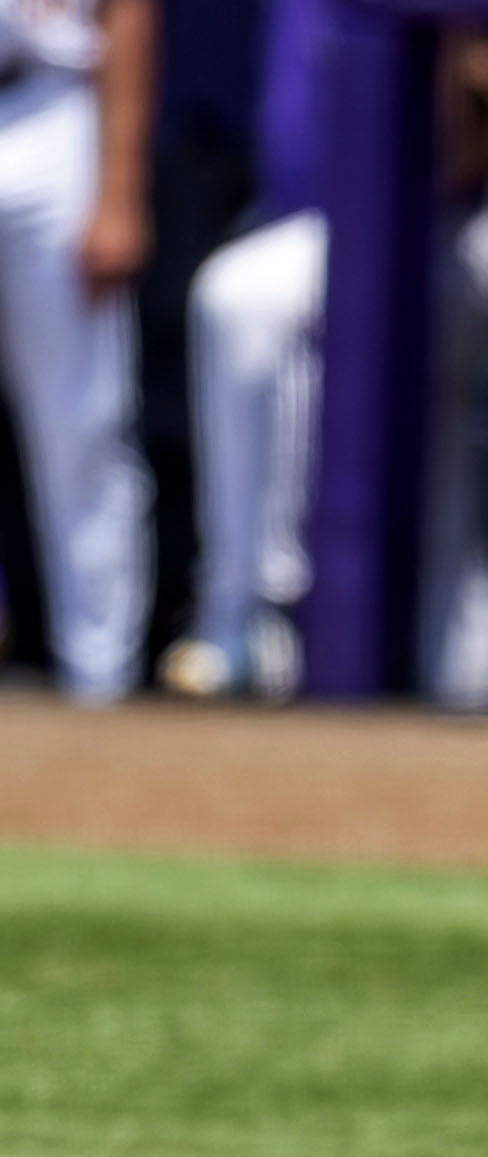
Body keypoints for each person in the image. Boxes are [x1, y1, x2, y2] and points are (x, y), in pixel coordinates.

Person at [162, 3, 488, 707]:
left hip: (441, 233)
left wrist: (468, 74)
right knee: (245, 308)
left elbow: (485, 139)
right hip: (310, 233)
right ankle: (249, 609)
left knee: (436, 485)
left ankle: (272, 604)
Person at [0, 0, 154, 703]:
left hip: (51, 103)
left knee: (79, 425)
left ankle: (100, 678)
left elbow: (126, 10)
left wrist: (118, 191)